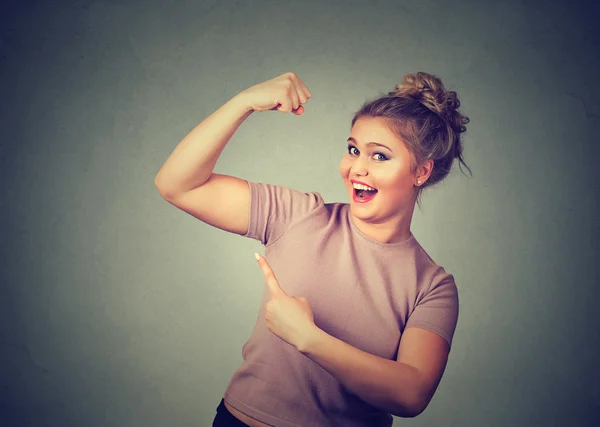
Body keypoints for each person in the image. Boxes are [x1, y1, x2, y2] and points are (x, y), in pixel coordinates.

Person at [155, 71, 471, 427]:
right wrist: (243, 102)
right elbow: (176, 185)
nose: (356, 168)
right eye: (353, 150)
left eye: (379, 157)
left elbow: (411, 394)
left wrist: (309, 339)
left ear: (421, 172)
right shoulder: (298, 216)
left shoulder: (433, 287)